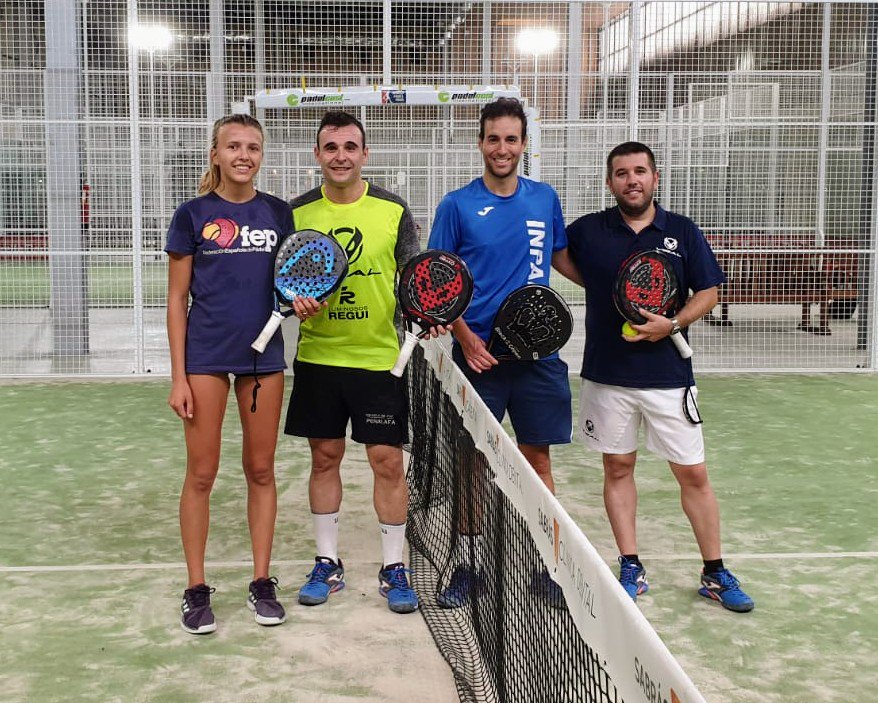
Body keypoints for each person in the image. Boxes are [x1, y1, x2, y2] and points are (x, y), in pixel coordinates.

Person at [565, 141, 754, 613]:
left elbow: (709, 290)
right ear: (610, 182)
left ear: (655, 177)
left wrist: (671, 324)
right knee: (618, 468)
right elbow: (561, 258)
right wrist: (608, 289)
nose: (632, 180)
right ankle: (631, 563)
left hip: (670, 377)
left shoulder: (682, 232)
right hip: (608, 376)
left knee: (693, 474)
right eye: (622, 173)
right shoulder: (589, 231)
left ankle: (714, 571)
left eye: (640, 171)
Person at [427, 97, 581, 607]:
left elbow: (559, 257)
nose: (502, 148)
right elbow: (438, 283)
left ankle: (547, 566)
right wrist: (467, 340)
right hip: (479, 357)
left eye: (511, 139)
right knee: (472, 461)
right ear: (480, 143)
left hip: (539, 358)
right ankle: (468, 565)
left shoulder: (544, 199)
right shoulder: (457, 205)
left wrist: (607, 288)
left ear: (523, 144)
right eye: (493, 138)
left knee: (537, 459)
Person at [285, 111, 437, 614]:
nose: (340, 156)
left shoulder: (392, 208)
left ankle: (394, 567)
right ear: (317, 155)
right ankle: (327, 563)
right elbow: (283, 279)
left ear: (364, 154)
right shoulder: (297, 212)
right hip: (319, 356)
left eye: (350, 147)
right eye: (330, 147)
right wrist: (293, 301)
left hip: (380, 360)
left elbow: (414, 276)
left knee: (387, 461)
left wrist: (425, 314)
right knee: (324, 458)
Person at [166, 114, 291, 634]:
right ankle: (196, 589)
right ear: (215, 155)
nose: (244, 155)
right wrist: (178, 377)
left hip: (264, 360)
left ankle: (262, 583)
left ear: (261, 155)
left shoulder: (279, 213)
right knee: (201, 474)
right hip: (206, 360)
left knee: (261, 471)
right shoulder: (193, 215)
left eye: (253, 147)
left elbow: (294, 278)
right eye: (233, 146)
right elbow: (176, 300)